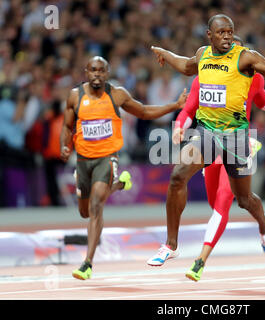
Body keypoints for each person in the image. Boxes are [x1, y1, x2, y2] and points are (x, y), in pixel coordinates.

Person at [147, 15, 265, 278]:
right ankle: (171, 245)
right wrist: (165, 53)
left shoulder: (246, 57)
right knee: (177, 177)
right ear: (209, 34)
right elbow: (186, 66)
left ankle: (264, 225)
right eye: (221, 32)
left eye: (230, 32)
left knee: (244, 200)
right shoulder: (203, 54)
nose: (227, 36)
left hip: (236, 138)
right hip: (206, 133)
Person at [60, 56, 187, 280]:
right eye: (93, 70)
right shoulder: (75, 96)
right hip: (83, 160)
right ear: (86, 72)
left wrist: (175, 106)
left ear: (107, 73)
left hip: (107, 157)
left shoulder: (117, 94)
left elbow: (144, 111)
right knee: (84, 211)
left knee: (96, 205)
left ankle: (87, 263)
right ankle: (120, 184)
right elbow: (67, 125)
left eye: (101, 70)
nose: (97, 74)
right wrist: (64, 145)